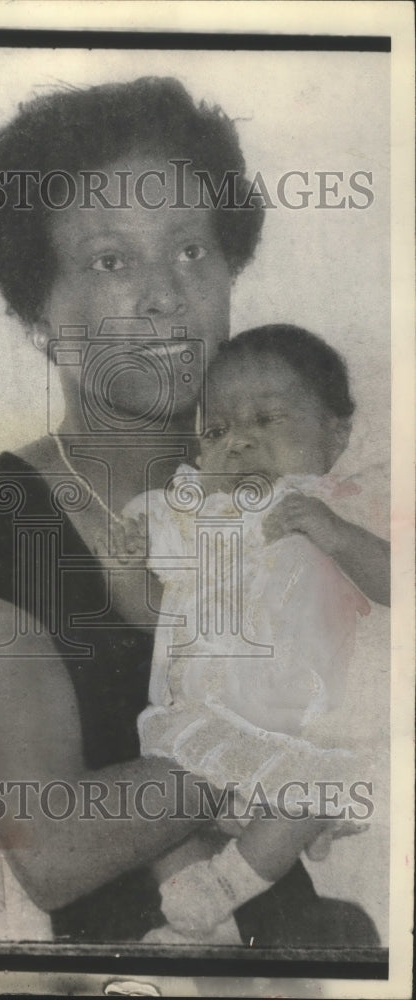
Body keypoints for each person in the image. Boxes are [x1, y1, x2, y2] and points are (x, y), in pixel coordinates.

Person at [0, 77, 380, 944]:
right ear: (36, 309)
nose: (165, 294)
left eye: (192, 250)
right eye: (111, 261)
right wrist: (310, 745)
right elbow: (50, 847)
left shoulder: (307, 472)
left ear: (232, 269)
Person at [116, 325, 390, 942]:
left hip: (303, 719)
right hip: (208, 707)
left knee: (310, 792)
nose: (239, 441)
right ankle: (199, 926)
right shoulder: (199, 506)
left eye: (267, 420)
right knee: (164, 799)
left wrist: (339, 535)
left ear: (336, 433)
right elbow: (159, 575)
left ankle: (224, 888)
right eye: (216, 432)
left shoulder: (346, 500)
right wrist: (139, 544)